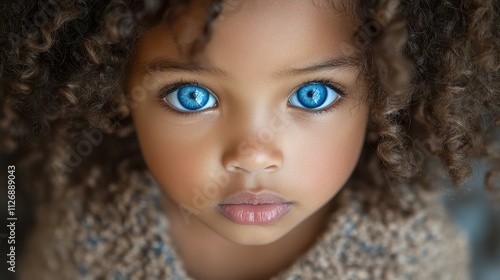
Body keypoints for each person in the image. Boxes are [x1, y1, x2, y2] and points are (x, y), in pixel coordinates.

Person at [1, 0, 498, 279]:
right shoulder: (85, 228)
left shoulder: (413, 257)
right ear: (117, 91)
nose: (254, 153)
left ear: (384, 93)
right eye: (191, 97)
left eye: (313, 95)